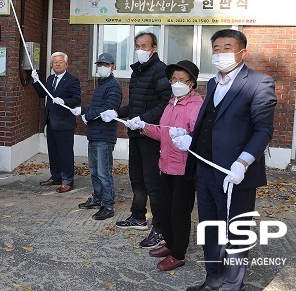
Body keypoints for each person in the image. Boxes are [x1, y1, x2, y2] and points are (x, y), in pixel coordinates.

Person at [172, 29, 276, 291]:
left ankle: (231, 286)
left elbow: (263, 129)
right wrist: (190, 140)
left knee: (235, 233)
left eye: (227, 47)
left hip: (234, 174)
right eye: (216, 48)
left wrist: (243, 162)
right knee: (211, 229)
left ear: (242, 52)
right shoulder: (213, 83)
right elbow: (209, 122)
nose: (220, 53)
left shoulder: (259, 82)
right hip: (206, 170)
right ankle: (213, 280)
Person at [101, 31, 171, 249]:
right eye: (137, 46)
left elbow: (165, 101)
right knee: (136, 177)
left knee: (152, 182)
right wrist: (116, 112)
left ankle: (160, 227)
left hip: (150, 133)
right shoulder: (138, 71)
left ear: (154, 48)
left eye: (144, 46)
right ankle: (138, 216)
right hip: (135, 133)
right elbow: (135, 104)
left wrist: (144, 120)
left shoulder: (160, 70)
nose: (140, 49)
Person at [133, 60, 203, 271]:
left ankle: (178, 253)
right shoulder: (171, 102)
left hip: (183, 169)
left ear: (191, 83)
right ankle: (170, 245)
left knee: (179, 212)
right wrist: (143, 127)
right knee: (164, 209)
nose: (176, 82)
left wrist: (190, 138)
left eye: (181, 79)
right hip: (165, 165)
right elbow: (163, 132)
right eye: (173, 79)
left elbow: (200, 137)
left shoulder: (196, 105)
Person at [71, 53, 122, 220]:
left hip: (104, 136)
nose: (101, 68)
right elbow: (98, 108)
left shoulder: (113, 86)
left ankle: (108, 205)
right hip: (94, 134)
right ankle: (98, 198)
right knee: (94, 170)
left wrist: (85, 112)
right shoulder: (101, 84)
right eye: (99, 64)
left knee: (103, 172)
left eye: (105, 65)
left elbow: (108, 109)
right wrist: (86, 112)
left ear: (113, 67)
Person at [31, 52, 81, 193]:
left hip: (64, 123)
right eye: (54, 62)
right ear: (51, 65)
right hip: (51, 121)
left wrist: (64, 101)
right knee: (53, 152)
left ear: (66, 64)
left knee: (65, 153)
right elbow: (42, 94)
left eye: (60, 61)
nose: (57, 64)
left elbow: (77, 99)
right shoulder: (50, 78)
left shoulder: (72, 80)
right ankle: (56, 176)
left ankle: (67, 180)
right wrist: (35, 81)